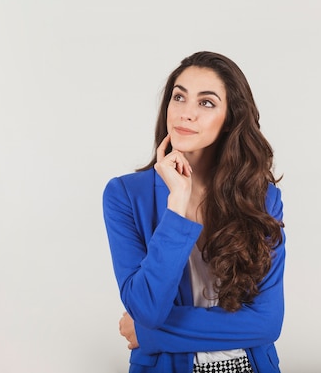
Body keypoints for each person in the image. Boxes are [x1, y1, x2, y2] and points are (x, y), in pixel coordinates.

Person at [102, 51, 286, 373]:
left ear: (230, 117)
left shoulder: (262, 198)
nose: (186, 113)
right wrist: (177, 207)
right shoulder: (126, 196)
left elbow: (266, 324)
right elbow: (147, 308)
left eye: (206, 103)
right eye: (179, 97)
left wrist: (148, 333)